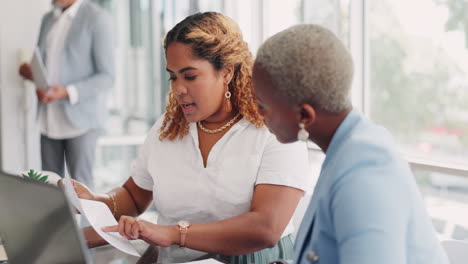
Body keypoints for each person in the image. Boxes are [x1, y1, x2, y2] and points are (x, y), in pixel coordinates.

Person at [69, 12, 311, 263]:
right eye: (173, 76)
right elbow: (132, 196)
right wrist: (96, 202)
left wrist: (174, 234)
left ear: (227, 72)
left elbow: (266, 228)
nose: (178, 88)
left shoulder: (272, 129)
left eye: (190, 76)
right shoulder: (168, 127)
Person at [252, 24, 449, 264]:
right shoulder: (350, 146)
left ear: (304, 116)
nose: (258, 114)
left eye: (262, 105)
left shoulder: (366, 175)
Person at [18, 0, 115, 189]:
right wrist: (33, 76)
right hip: (48, 118)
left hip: (81, 120)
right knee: (49, 185)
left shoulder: (97, 18)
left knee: (81, 189)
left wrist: (67, 92)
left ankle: (84, 222)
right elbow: (44, 63)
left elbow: (107, 76)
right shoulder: (48, 19)